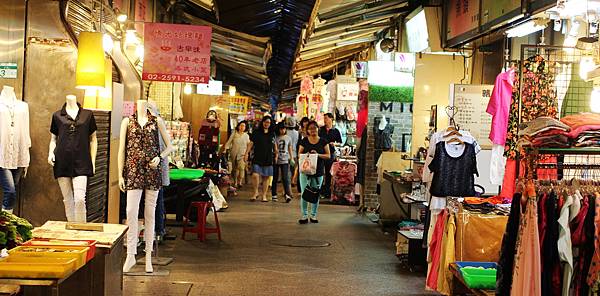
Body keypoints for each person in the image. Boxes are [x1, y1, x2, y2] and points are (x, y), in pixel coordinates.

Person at [298, 120, 330, 224]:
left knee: (315, 193)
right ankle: (304, 215)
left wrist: (317, 155)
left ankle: (313, 215)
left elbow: (328, 155)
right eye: (310, 128)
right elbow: (299, 154)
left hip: (318, 171)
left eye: (314, 128)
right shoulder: (304, 141)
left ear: (318, 129)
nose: (313, 130)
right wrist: (307, 155)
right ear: (307, 130)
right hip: (305, 171)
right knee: (304, 193)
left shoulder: (323, 141)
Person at [246, 116, 278, 202]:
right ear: (262, 122)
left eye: (268, 122)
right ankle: (255, 192)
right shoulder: (256, 132)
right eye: (265, 122)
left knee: (266, 177)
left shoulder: (272, 133)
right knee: (255, 175)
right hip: (257, 156)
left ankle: (264, 195)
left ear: (270, 124)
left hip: (268, 157)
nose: (266, 124)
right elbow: (251, 143)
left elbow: (274, 144)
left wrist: (276, 154)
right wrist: (246, 153)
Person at [318, 113, 342, 199]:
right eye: (324, 119)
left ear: (331, 119)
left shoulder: (336, 131)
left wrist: (334, 143)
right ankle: (319, 191)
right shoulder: (321, 130)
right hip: (321, 153)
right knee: (320, 172)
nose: (325, 120)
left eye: (326, 118)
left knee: (328, 173)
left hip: (331, 154)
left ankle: (327, 192)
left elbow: (340, 142)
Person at [224, 121, 250, 189]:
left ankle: (240, 182)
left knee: (241, 168)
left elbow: (248, 145)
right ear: (238, 126)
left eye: (243, 126)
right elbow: (229, 142)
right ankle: (235, 181)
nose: (242, 127)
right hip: (234, 154)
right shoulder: (234, 134)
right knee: (235, 169)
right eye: (241, 125)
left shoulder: (246, 136)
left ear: (245, 127)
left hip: (242, 155)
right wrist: (225, 149)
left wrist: (247, 154)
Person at [272, 123, 294, 203]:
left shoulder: (288, 138)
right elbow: (275, 149)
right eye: (281, 129)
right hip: (276, 160)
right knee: (275, 177)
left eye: (284, 129)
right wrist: (276, 156)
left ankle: (287, 194)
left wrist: (291, 158)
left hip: (285, 160)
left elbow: (290, 148)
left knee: (285, 178)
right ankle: (274, 194)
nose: (283, 130)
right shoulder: (276, 138)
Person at [293, 117, 310, 189]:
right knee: (300, 169)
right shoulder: (299, 132)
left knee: (308, 169)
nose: (305, 123)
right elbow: (297, 142)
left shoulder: (310, 131)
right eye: (304, 122)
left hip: (308, 151)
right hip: (300, 151)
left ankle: (307, 186)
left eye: (307, 122)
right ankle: (300, 187)